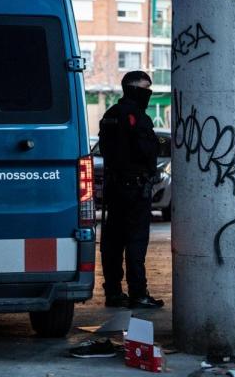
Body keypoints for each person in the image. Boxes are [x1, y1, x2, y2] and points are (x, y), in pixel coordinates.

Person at [98, 70, 164, 309]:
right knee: (136, 242)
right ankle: (138, 293)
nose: (149, 92)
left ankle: (113, 292)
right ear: (135, 89)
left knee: (113, 243)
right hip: (135, 190)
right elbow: (147, 152)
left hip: (114, 189)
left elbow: (104, 149)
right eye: (146, 88)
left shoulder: (110, 115)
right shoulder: (138, 117)